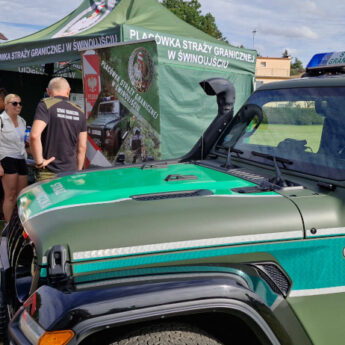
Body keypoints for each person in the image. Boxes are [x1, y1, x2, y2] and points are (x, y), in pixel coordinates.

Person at [30, 77, 87, 181]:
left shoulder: (45, 105)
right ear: (68, 91)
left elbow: (34, 136)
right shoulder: (80, 111)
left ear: (48, 91)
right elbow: (82, 147)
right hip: (71, 172)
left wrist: (39, 161)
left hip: (48, 171)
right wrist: (78, 171)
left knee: (47, 197)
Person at [0, 94, 28, 223]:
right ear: (6, 104)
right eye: (15, 103)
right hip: (6, 158)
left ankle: (19, 225)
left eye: (20, 103)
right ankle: (8, 226)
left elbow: (24, 143)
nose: (19, 106)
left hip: (21, 158)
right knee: (10, 195)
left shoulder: (22, 121)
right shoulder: (1, 120)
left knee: (22, 195)